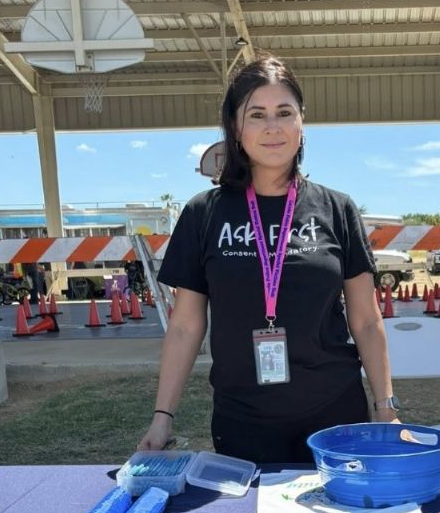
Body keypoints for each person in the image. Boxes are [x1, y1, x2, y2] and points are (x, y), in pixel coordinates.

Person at [137, 55, 399, 464]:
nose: (272, 127)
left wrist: (386, 408)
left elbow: (366, 319)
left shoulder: (337, 209)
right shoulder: (204, 213)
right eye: (256, 115)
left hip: (334, 413)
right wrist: (161, 418)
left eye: (284, 112)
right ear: (235, 127)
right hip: (243, 420)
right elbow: (185, 326)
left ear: (301, 122)